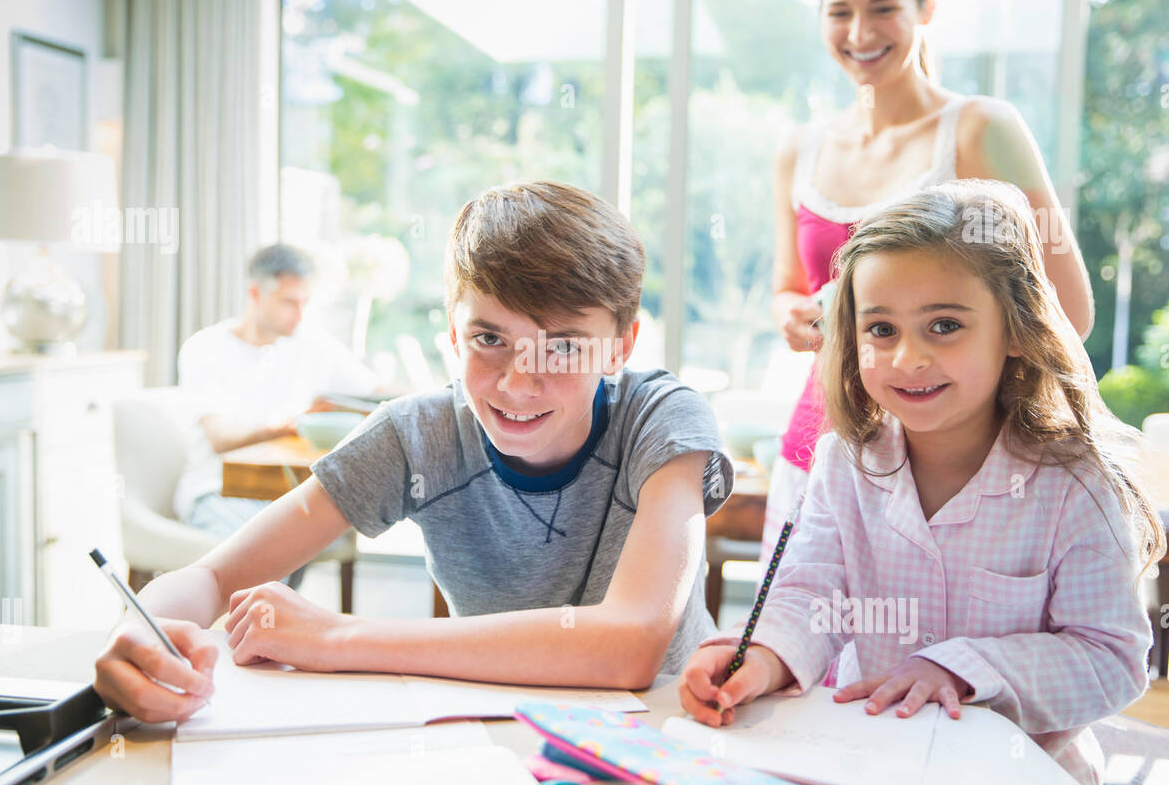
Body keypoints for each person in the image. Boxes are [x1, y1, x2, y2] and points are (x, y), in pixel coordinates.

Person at [93, 181, 734, 724]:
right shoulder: (416, 435)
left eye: (564, 346)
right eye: (489, 338)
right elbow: (209, 577)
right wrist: (138, 632)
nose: (517, 381)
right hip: (499, 731)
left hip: (668, 732)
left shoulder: (664, 418)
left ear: (622, 347)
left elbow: (630, 646)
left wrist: (339, 636)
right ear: (453, 332)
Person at [679, 181, 1162, 785]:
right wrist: (761, 659)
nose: (908, 357)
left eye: (944, 325)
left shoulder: (1078, 484)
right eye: (881, 330)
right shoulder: (842, 462)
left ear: (1016, 331)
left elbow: (1111, 659)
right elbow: (809, 597)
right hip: (867, 771)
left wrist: (959, 668)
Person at [763, 0, 1095, 562]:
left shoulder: (981, 129)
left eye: (883, 8)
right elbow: (784, 288)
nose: (859, 34)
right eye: (840, 13)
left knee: (929, 660)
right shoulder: (798, 150)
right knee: (800, 649)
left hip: (950, 466)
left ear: (928, 6)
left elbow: (1069, 312)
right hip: (815, 449)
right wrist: (795, 315)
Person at [173, 243, 380, 588]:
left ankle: (273, 628)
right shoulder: (205, 349)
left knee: (312, 532)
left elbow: (372, 389)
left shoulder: (311, 344)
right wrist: (289, 424)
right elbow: (221, 438)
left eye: (304, 303)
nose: (298, 314)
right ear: (255, 293)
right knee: (266, 560)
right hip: (217, 489)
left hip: (283, 492)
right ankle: (252, 631)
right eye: (288, 302)